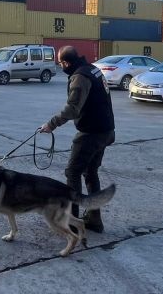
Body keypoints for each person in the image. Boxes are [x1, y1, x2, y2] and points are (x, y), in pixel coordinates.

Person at [39, 46, 115, 234]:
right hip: (105, 130)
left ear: (66, 63)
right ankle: (95, 220)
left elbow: (73, 108)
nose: (60, 66)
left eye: (60, 63)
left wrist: (51, 124)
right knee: (90, 173)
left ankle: (71, 222)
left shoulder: (80, 77)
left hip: (91, 133)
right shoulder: (92, 69)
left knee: (72, 173)